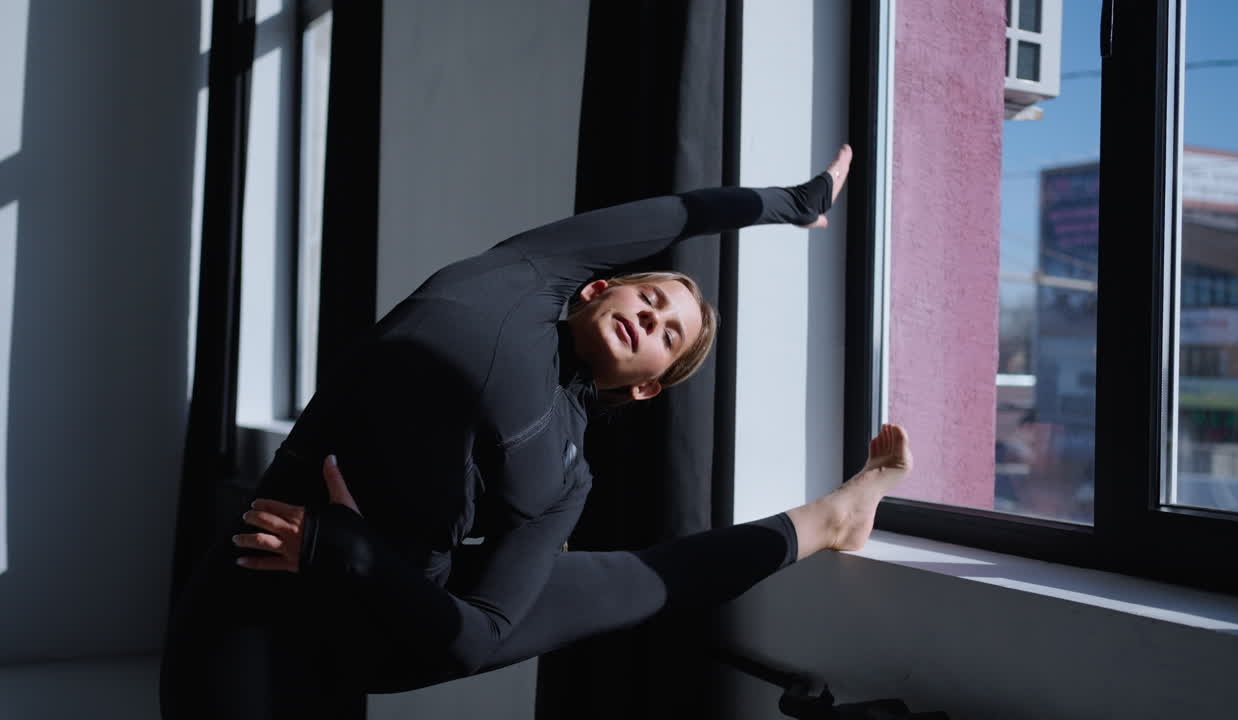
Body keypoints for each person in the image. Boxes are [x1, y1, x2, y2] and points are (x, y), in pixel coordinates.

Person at [158, 144, 913, 718]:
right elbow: (675, 213)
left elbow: (476, 635)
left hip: (384, 606)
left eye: (669, 333)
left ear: (648, 384)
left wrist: (350, 553)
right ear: (596, 285)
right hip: (259, 593)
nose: (653, 314)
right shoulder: (526, 270)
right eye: (651, 295)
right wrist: (789, 202)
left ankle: (834, 518)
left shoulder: (566, 477)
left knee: (644, 580)